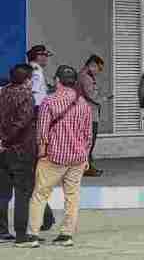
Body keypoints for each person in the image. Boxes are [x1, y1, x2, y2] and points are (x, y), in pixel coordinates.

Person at [24, 65, 93, 248]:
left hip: (53, 157)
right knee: (72, 196)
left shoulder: (49, 101)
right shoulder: (83, 104)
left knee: (40, 194)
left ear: (56, 80)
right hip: (77, 158)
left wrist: (41, 154)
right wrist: (85, 156)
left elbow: (42, 132)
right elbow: (88, 135)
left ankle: (33, 235)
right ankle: (66, 235)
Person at [1, 64, 51, 246]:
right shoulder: (26, 96)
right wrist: (6, 140)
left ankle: (2, 230)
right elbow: (21, 122)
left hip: (3, 151)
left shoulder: (3, 92)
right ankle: (21, 235)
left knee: (3, 193)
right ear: (27, 80)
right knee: (23, 193)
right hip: (20, 150)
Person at [77, 55, 106, 177]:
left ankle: (87, 165)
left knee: (87, 140)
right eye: (98, 68)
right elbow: (91, 95)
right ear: (92, 65)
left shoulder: (85, 75)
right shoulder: (86, 77)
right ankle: (86, 167)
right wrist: (102, 99)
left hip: (87, 111)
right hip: (88, 113)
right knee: (89, 141)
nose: (99, 72)